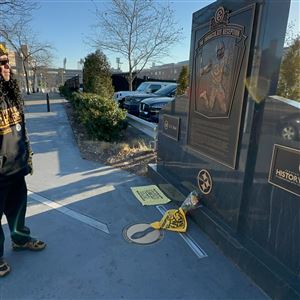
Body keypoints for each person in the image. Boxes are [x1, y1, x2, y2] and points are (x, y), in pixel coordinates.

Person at [0, 44, 46, 277]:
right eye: (1, 63)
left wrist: (26, 157)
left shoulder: (10, 92)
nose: (6, 67)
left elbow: (20, 129)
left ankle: (20, 239)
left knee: (18, 209)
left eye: (7, 61)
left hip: (15, 166)